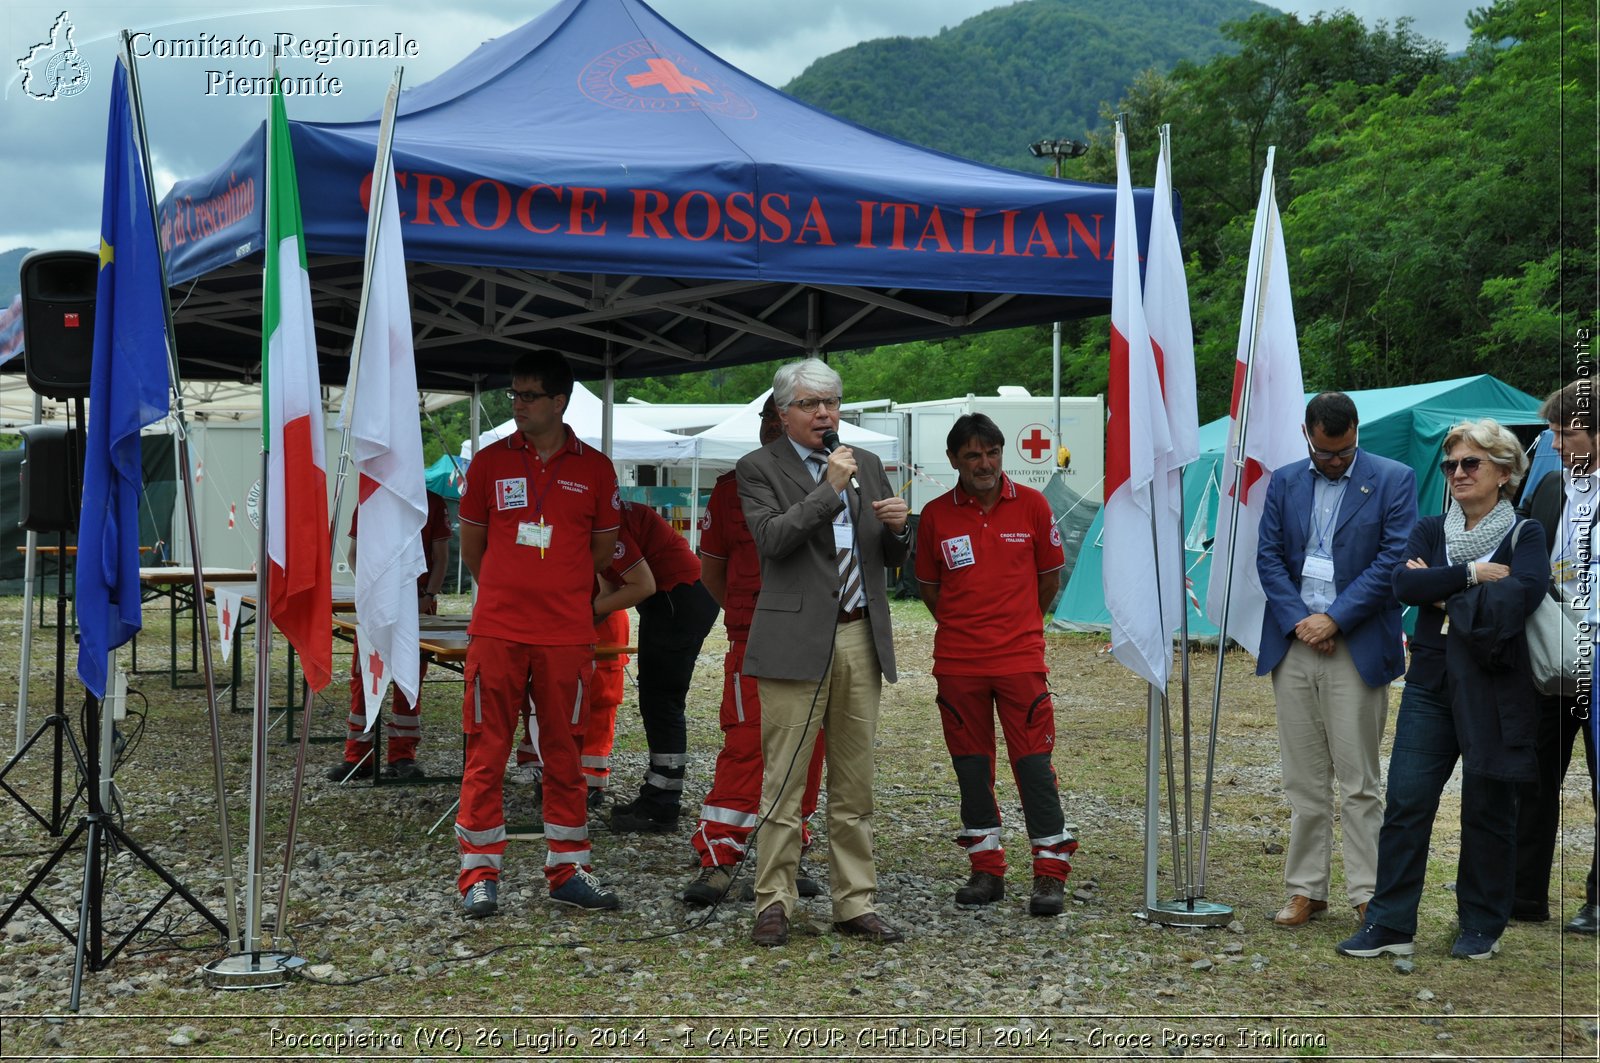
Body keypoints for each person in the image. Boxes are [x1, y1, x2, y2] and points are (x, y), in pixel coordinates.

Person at [1338, 419, 1547, 961]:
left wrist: (1443, 588)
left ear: (1504, 472)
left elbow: (1519, 599)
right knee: (1407, 801)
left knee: (1488, 807)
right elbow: (1403, 585)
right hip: (1431, 681)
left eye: (1470, 463)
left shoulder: (1527, 533)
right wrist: (1475, 575)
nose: (1457, 473)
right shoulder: (1430, 529)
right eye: (1450, 464)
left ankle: (1480, 924)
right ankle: (1388, 923)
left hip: (1496, 687)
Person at [738, 358, 910, 947]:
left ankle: (854, 902)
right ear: (784, 412)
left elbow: (890, 559)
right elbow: (773, 540)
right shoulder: (758, 467)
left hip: (860, 632)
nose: (824, 414)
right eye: (810, 404)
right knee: (784, 781)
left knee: (854, 782)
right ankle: (774, 901)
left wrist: (899, 528)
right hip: (795, 639)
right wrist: (827, 489)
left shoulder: (866, 465)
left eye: (832, 403)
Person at [453, 352, 623, 918]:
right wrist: (509, 589)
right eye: (514, 395)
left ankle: (569, 868)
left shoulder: (595, 468)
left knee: (564, 754)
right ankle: (478, 874)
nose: (518, 405)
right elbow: (473, 548)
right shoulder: (489, 463)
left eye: (529, 396)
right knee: (487, 749)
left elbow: (600, 552)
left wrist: (555, 593)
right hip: (499, 630)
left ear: (559, 401)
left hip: (566, 635)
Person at [1256, 391, 1417, 927]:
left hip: (1357, 644)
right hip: (1295, 643)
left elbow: (1393, 559)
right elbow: (1270, 558)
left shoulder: (1393, 479)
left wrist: (1336, 619)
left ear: (1355, 434)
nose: (1335, 462)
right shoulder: (1283, 481)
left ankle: (1368, 893)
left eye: (1345, 451)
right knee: (1304, 780)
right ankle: (1306, 889)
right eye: (1326, 453)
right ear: (1308, 435)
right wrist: (1302, 620)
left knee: (1359, 782)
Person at [914, 413, 1075, 916]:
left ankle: (1049, 873)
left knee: (1033, 765)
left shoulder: (1032, 505)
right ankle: (986, 870)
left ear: (1002, 454)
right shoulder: (936, 515)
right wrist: (969, 630)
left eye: (991, 453)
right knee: (971, 766)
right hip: (958, 663)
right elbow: (929, 588)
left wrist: (1018, 626)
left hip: (1020, 660)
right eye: (972, 456)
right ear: (953, 461)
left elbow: (1049, 581)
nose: (983, 464)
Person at [683, 396, 827, 906]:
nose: (775, 429)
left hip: (816, 640)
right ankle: (719, 859)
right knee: (746, 748)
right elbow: (712, 569)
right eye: (769, 420)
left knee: (807, 754)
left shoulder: (832, 481)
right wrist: (749, 621)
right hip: (755, 643)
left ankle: (786, 855)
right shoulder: (731, 488)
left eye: (784, 420)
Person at [1513, 381, 1599, 934]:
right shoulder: (1547, 486)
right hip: (1550, 652)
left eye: (1567, 432)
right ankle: (1522, 896)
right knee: (1533, 775)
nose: (1556, 442)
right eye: (1553, 431)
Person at [608, 499, 720, 833]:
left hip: (676, 599)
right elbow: (609, 584)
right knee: (657, 702)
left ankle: (662, 805)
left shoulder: (608, 521)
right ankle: (658, 794)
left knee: (662, 703)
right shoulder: (615, 513)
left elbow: (641, 584)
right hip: (678, 598)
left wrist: (584, 616)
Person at [327, 489, 452, 782]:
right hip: (375, 605)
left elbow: (441, 556)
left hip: (417, 604)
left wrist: (428, 595)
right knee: (364, 679)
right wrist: (371, 591)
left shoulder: (430, 501)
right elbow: (355, 553)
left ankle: (403, 756)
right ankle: (357, 757)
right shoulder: (369, 499)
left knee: (408, 682)